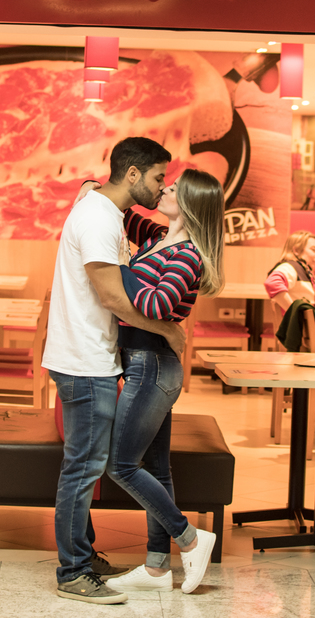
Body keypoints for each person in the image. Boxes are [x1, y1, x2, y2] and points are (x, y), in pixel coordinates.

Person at [42, 137, 186, 605]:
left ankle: (82, 558)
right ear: (133, 174)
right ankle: (73, 572)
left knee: (86, 466)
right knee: (84, 468)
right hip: (84, 360)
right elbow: (111, 297)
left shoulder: (106, 213)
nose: (162, 187)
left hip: (91, 356)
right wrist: (167, 331)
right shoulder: (99, 218)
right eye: (158, 177)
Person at [87, 168, 225, 596]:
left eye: (174, 188)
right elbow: (121, 208)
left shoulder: (187, 255)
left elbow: (155, 305)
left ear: (190, 203)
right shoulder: (158, 237)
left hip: (153, 366)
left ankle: (190, 538)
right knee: (157, 469)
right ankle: (156, 567)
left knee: (121, 464)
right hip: (144, 363)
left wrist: (117, 270)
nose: (164, 188)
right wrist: (93, 187)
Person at [263, 230, 315, 320]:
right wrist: (294, 312)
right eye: (313, 250)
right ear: (296, 250)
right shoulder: (290, 267)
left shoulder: (305, 271)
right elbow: (272, 283)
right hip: (300, 327)